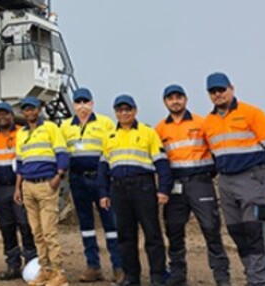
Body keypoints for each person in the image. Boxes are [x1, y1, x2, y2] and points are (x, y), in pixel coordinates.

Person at [200, 73, 265, 286]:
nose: (218, 94)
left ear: (232, 88)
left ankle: (258, 281)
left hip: (251, 178)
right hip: (226, 182)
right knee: (237, 231)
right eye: (213, 91)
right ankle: (252, 274)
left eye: (221, 89)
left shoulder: (251, 113)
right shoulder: (208, 122)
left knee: (254, 231)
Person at [155, 84, 231, 286]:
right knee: (173, 229)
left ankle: (222, 276)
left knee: (210, 227)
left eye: (179, 97)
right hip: (175, 185)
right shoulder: (160, 129)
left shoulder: (202, 122)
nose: (175, 101)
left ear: (186, 99)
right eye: (170, 98)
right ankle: (178, 274)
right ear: (165, 102)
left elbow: (215, 149)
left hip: (200, 183)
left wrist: (207, 174)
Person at [98, 95, 171, 286]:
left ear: (135, 111)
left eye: (127, 109)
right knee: (125, 235)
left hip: (143, 187)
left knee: (152, 233)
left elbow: (162, 163)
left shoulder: (148, 132)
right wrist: (103, 193)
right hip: (119, 189)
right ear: (115, 112)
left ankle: (157, 275)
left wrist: (163, 189)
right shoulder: (109, 136)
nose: (124, 113)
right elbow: (103, 168)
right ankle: (132, 277)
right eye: (120, 110)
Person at [58, 88, 122, 283]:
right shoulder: (65, 126)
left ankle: (118, 267)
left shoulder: (105, 123)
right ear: (74, 105)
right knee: (86, 225)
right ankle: (93, 266)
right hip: (77, 180)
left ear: (92, 103)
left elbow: (113, 150)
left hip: (101, 180)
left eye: (86, 102)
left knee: (110, 224)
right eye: (78, 102)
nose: (82, 106)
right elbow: (61, 152)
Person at [14, 96, 69, 286]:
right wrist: (18, 187)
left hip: (46, 184)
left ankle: (58, 273)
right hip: (28, 185)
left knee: (49, 232)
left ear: (39, 109)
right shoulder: (21, 133)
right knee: (36, 232)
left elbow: (62, 153)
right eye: (26, 110)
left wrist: (58, 176)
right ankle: (45, 270)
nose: (30, 112)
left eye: (33, 109)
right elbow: (20, 163)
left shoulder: (51, 128)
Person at [0, 102, 37, 280]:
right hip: (0, 187)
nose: (2, 117)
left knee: (25, 225)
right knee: (6, 227)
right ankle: (13, 264)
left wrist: (20, 186)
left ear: (12, 115)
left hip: (20, 187)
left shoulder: (23, 133)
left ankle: (32, 264)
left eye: (5, 114)